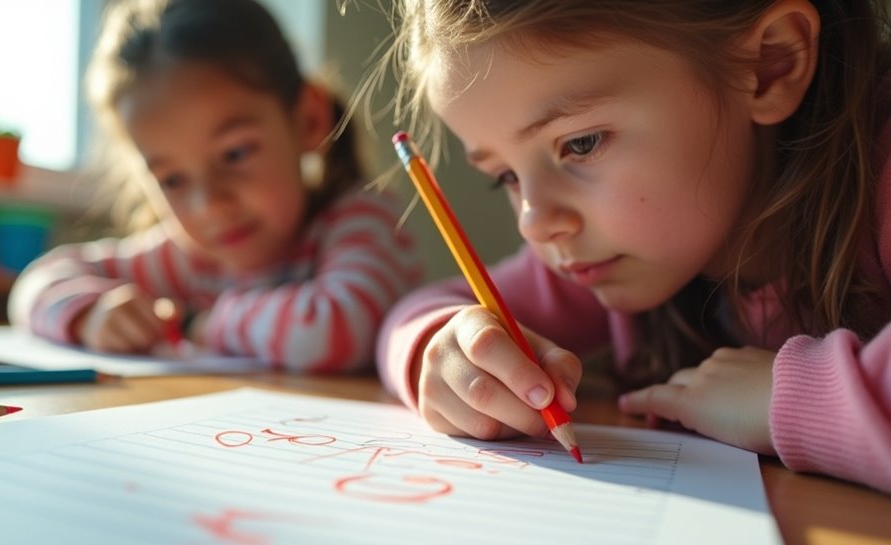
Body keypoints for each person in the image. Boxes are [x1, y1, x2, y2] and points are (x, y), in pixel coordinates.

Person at [375, 0, 891, 492]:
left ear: (769, 65)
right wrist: (443, 352)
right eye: (505, 176)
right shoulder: (612, 251)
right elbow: (416, 313)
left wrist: (792, 400)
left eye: (581, 143)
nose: (535, 222)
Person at [9, 0, 421, 373]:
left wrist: (198, 322)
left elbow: (337, 329)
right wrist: (89, 314)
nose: (209, 205)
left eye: (235, 154)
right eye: (172, 179)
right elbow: (35, 283)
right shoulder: (182, 259)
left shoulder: (361, 220)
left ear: (308, 120)